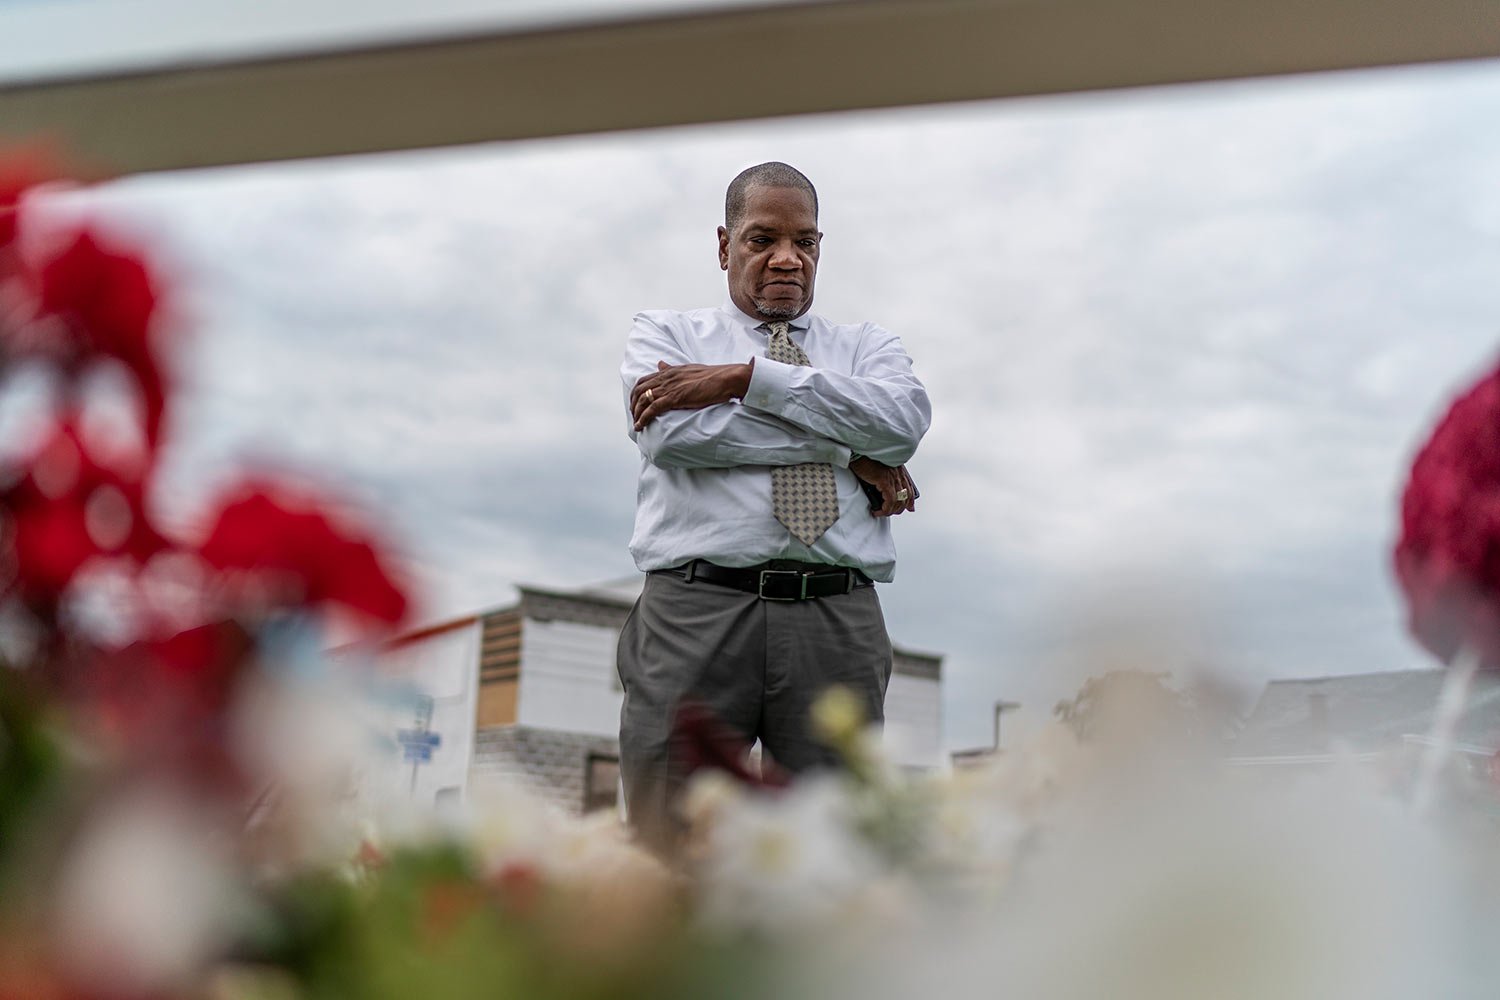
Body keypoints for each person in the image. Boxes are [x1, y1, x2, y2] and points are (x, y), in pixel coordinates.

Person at [617, 161, 930, 851]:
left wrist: (746, 379)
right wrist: (849, 449)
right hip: (696, 614)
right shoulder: (665, 337)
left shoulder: (868, 347)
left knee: (835, 851)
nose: (787, 258)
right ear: (725, 245)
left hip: (835, 617)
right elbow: (674, 436)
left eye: (805, 242)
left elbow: (903, 423)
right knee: (671, 845)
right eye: (763, 239)